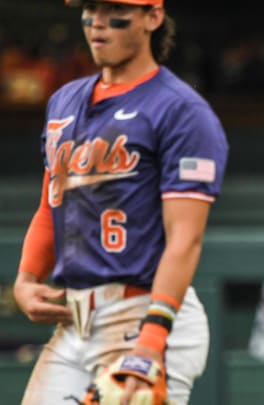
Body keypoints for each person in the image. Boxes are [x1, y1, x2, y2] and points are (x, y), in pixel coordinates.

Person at [12, 0, 229, 403]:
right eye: (90, 10)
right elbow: (50, 204)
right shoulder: (63, 101)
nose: (97, 23)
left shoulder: (182, 111)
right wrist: (26, 279)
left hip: (146, 310)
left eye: (115, 12)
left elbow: (185, 238)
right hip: (77, 322)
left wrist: (152, 338)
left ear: (152, 17)